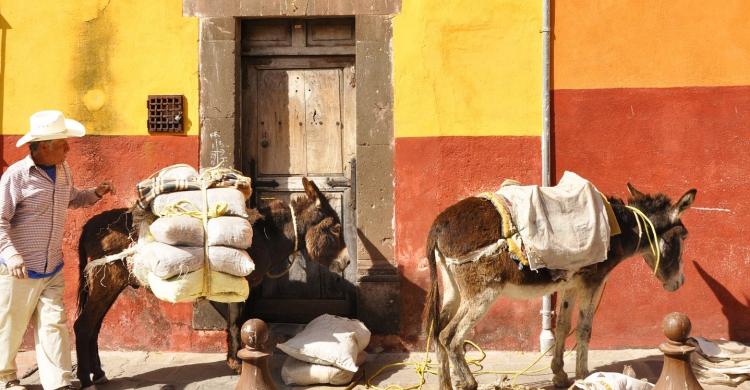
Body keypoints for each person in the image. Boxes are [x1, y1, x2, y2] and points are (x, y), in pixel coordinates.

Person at [0, 111, 114, 390]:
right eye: (62, 143)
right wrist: (10, 254)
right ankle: (5, 377)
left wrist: (95, 194)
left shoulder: (63, 170)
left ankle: (58, 382)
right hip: (20, 267)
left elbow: (72, 198)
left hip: (52, 265)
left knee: (54, 324)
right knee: (11, 325)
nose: (68, 147)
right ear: (44, 146)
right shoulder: (17, 177)